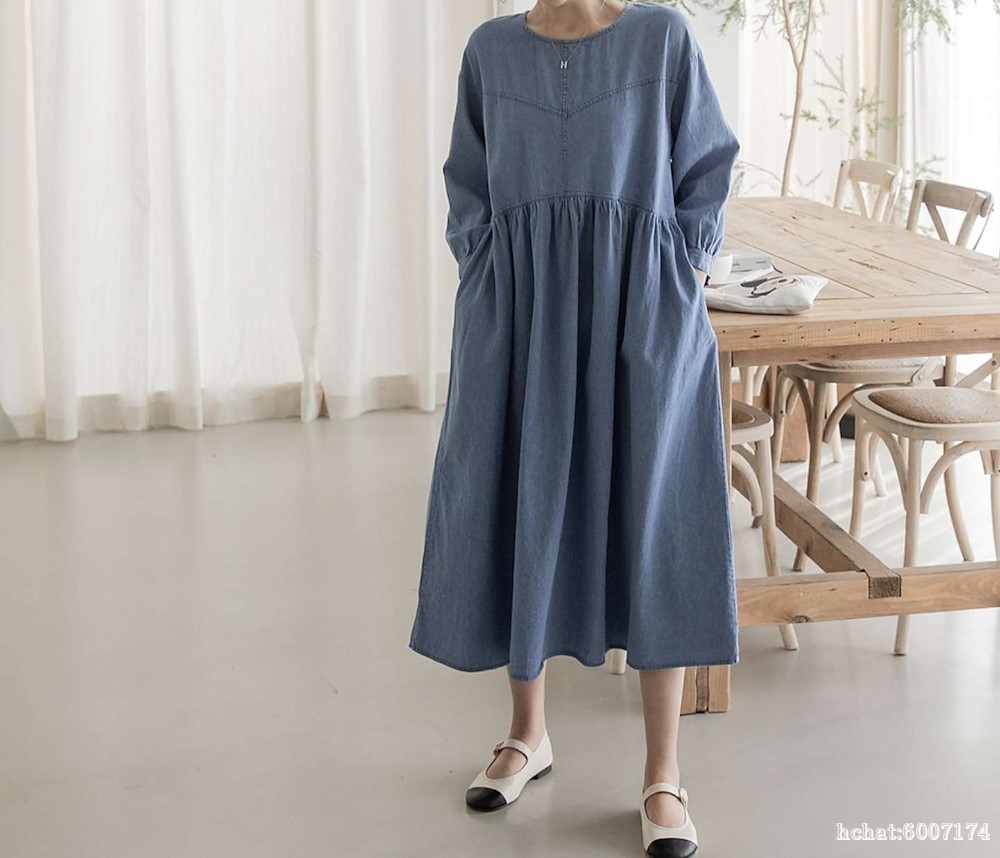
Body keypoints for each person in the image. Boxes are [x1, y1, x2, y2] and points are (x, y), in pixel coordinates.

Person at [408, 1, 741, 854]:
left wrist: (679, 267)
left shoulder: (661, 38)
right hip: (521, 315)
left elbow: (707, 165)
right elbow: (468, 182)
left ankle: (662, 773)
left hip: (643, 310)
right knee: (524, 502)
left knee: (656, 520)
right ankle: (528, 733)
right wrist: (488, 275)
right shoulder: (490, 50)